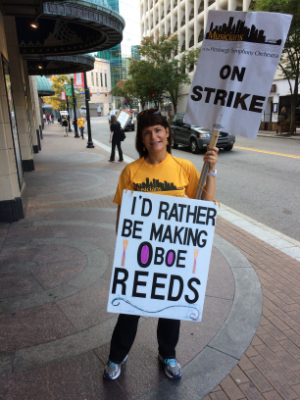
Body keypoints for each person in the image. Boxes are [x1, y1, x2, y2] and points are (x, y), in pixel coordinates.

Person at [103, 109, 218, 381]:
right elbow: (123, 218)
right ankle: (116, 356)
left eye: (157, 130)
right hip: (139, 257)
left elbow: (204, 209)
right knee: (129, 309)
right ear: (142, 139)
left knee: (171, 308)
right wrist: (124, 253)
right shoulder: (131, 171)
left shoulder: (186, 168)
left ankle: (168, 354)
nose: (153, 136)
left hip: (173, 255)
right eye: (146, 132)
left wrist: (212, 171)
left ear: (167, 133)